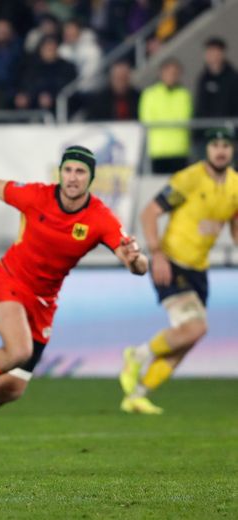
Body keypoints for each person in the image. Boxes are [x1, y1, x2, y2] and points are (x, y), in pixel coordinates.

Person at [0, 146, 148, 413]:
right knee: (18, 351)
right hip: (10, 280)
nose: (73, 177)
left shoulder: (100, 218)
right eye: (68, 170)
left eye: (81, 171)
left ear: (91, 178)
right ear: (60, 173)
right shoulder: (37, 195)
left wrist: (136, 259)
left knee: (13, 388)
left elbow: (137, 266)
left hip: (44, 302)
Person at [119, 127, 238, 414]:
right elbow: (149, 212)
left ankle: (136, 395)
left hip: (199, 269)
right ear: (206, 150)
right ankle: (137, 355)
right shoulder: (189, 179)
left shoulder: (235, 185)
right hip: (171, 263)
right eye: (214, 144)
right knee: (196, 328)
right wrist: (157, 253)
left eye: (225, 144)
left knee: (187, 339)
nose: (220, 150)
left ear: (232, 149)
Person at [139, 58, 193, 175]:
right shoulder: (150, 94)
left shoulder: (184, 94)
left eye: (174, 73)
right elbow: (146, 120)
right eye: (168, 72)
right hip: (157, 150)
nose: (171, 76)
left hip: (180, 150)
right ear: (161, 73)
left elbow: (185, 117)